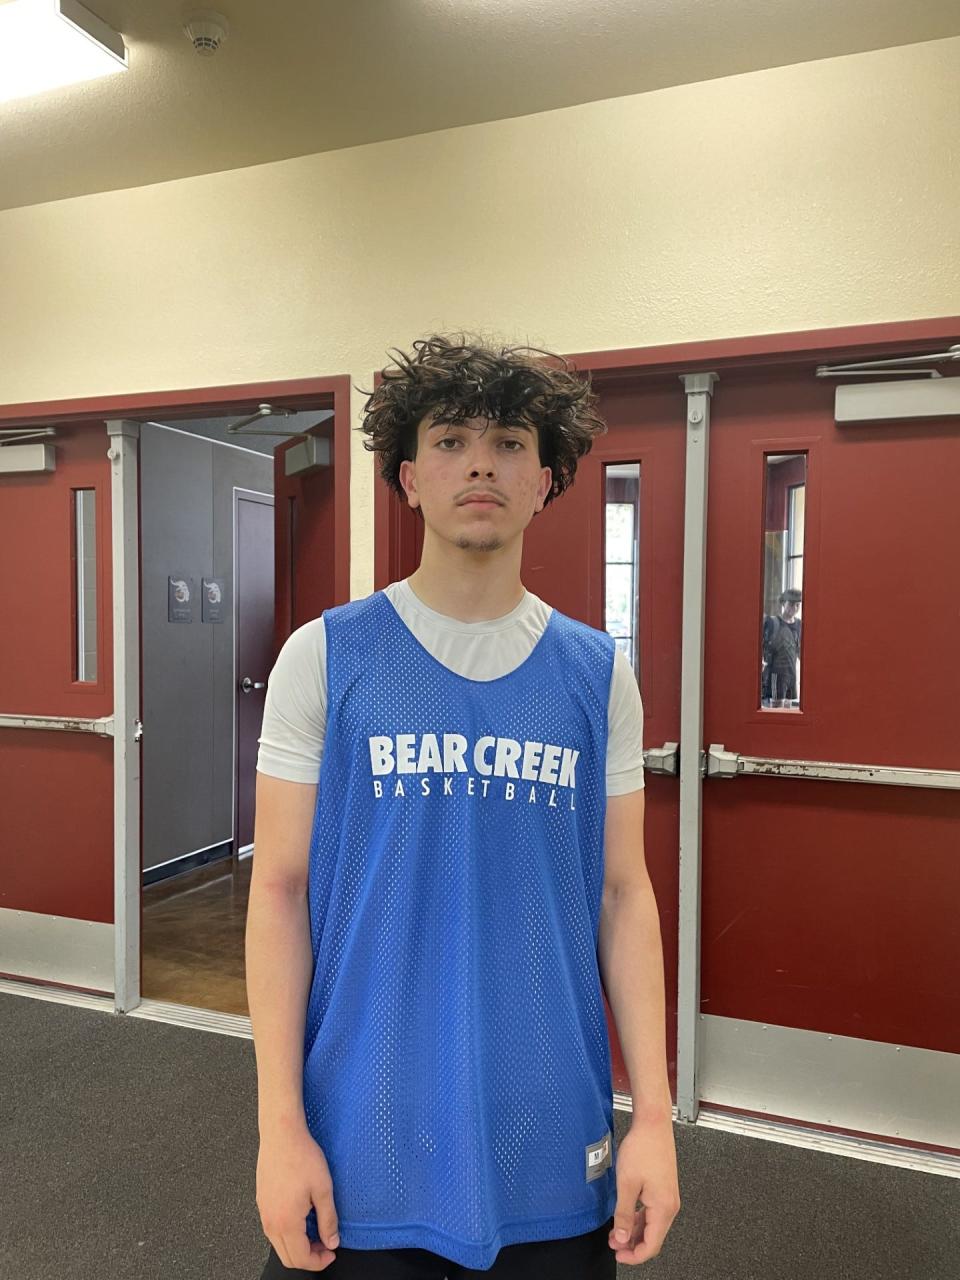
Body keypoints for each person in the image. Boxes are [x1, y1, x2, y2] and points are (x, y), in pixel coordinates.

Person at [246, 335, 681, 1278]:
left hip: (551, 1139)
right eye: (450, 439)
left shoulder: (597, 675)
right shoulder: (324, 659)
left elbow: (623, 896)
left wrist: (653, 1117)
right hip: (364, 1138)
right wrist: (279, 1128)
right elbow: (277, 891)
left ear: (545, 481)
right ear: (407, 478)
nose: (480, 460)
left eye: (511, 441)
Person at [761, 588, 802, 706]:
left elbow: (800, 650)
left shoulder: (799, 625)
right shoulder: (772, 622)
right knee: (776, 708)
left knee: (788, 708)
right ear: (784, 603)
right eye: (791, 604)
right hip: (776, 674)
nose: (794, 608)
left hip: (792, 673)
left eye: (797, 605)